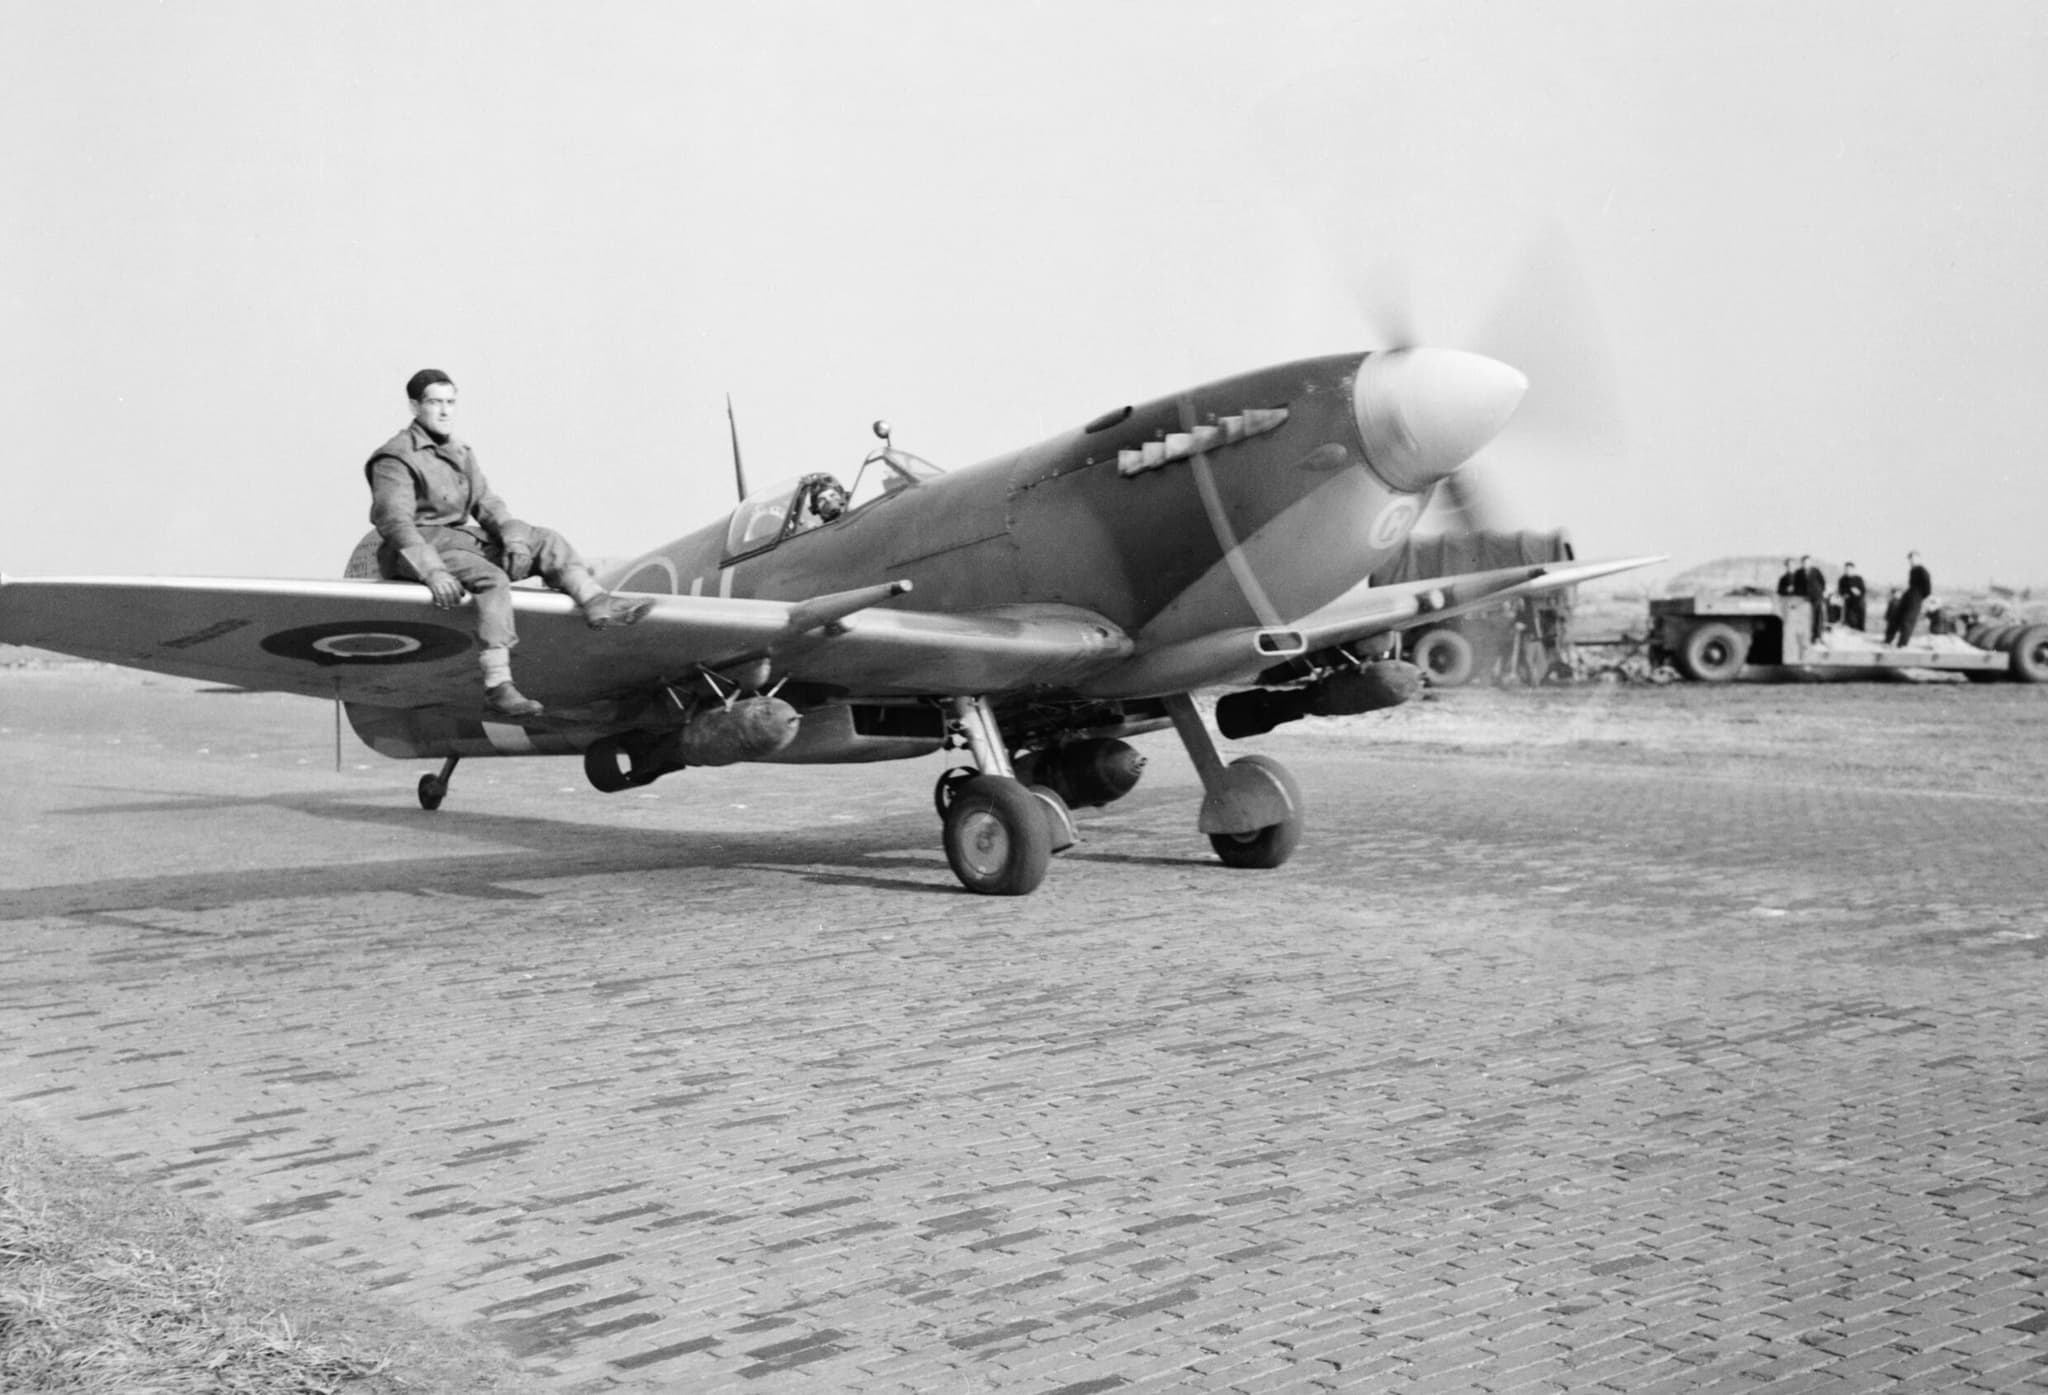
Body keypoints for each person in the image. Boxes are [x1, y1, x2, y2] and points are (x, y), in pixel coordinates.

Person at [365, 369, 652, 718]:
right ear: (414, 406)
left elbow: (488, 505)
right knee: (492, 579)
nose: (444, 411)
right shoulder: (395, 457)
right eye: (435, 402)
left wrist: (515, 541)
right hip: (420, 549)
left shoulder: (460, 452)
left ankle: (595, 601)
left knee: (546, 540)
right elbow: (394, 522)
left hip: (462, 541)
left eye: (450, 402)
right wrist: (433, 572)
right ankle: (498, 685)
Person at [1889, 550, 1933, 647]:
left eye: (1913, 559)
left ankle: (1902, 645)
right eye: (1910, 559)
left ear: (1919, 559)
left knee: (1907, 621)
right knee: (1896, 618)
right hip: (1909, 595)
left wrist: (1921, 599)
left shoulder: (1922, 571)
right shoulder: (1912, 571)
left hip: (1916, 598)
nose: (1911, 561)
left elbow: (1928, 589)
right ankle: (1888, 640)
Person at [1798, 554, 1828, 642]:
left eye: (1807, 562)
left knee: (1817, 616)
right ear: (1802, 563)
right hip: (1805, 598)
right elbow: (1797, 585)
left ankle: (1817, 636)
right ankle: (1809, 635)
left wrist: (1822, 591)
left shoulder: (1816, 571)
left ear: (1810, 563)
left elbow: (1822, 581)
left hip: (1817, 596)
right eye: (1804, 563)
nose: (1806, 564)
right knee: (1808, 616)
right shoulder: (1799, 573)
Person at [1836, 561, 1867, 631]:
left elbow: (1863, 591)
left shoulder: (1858, 579)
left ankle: (1860, 630)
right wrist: (1844, 594)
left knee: (1860, 622)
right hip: (1848, 603)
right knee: (1850, 621)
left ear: (1853, 569)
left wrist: (1858, 592)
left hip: (1859, 603)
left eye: (1849, 569)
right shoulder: (1842, 579)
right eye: (1846, 569)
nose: (1847, 571)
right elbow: (1840, 591)